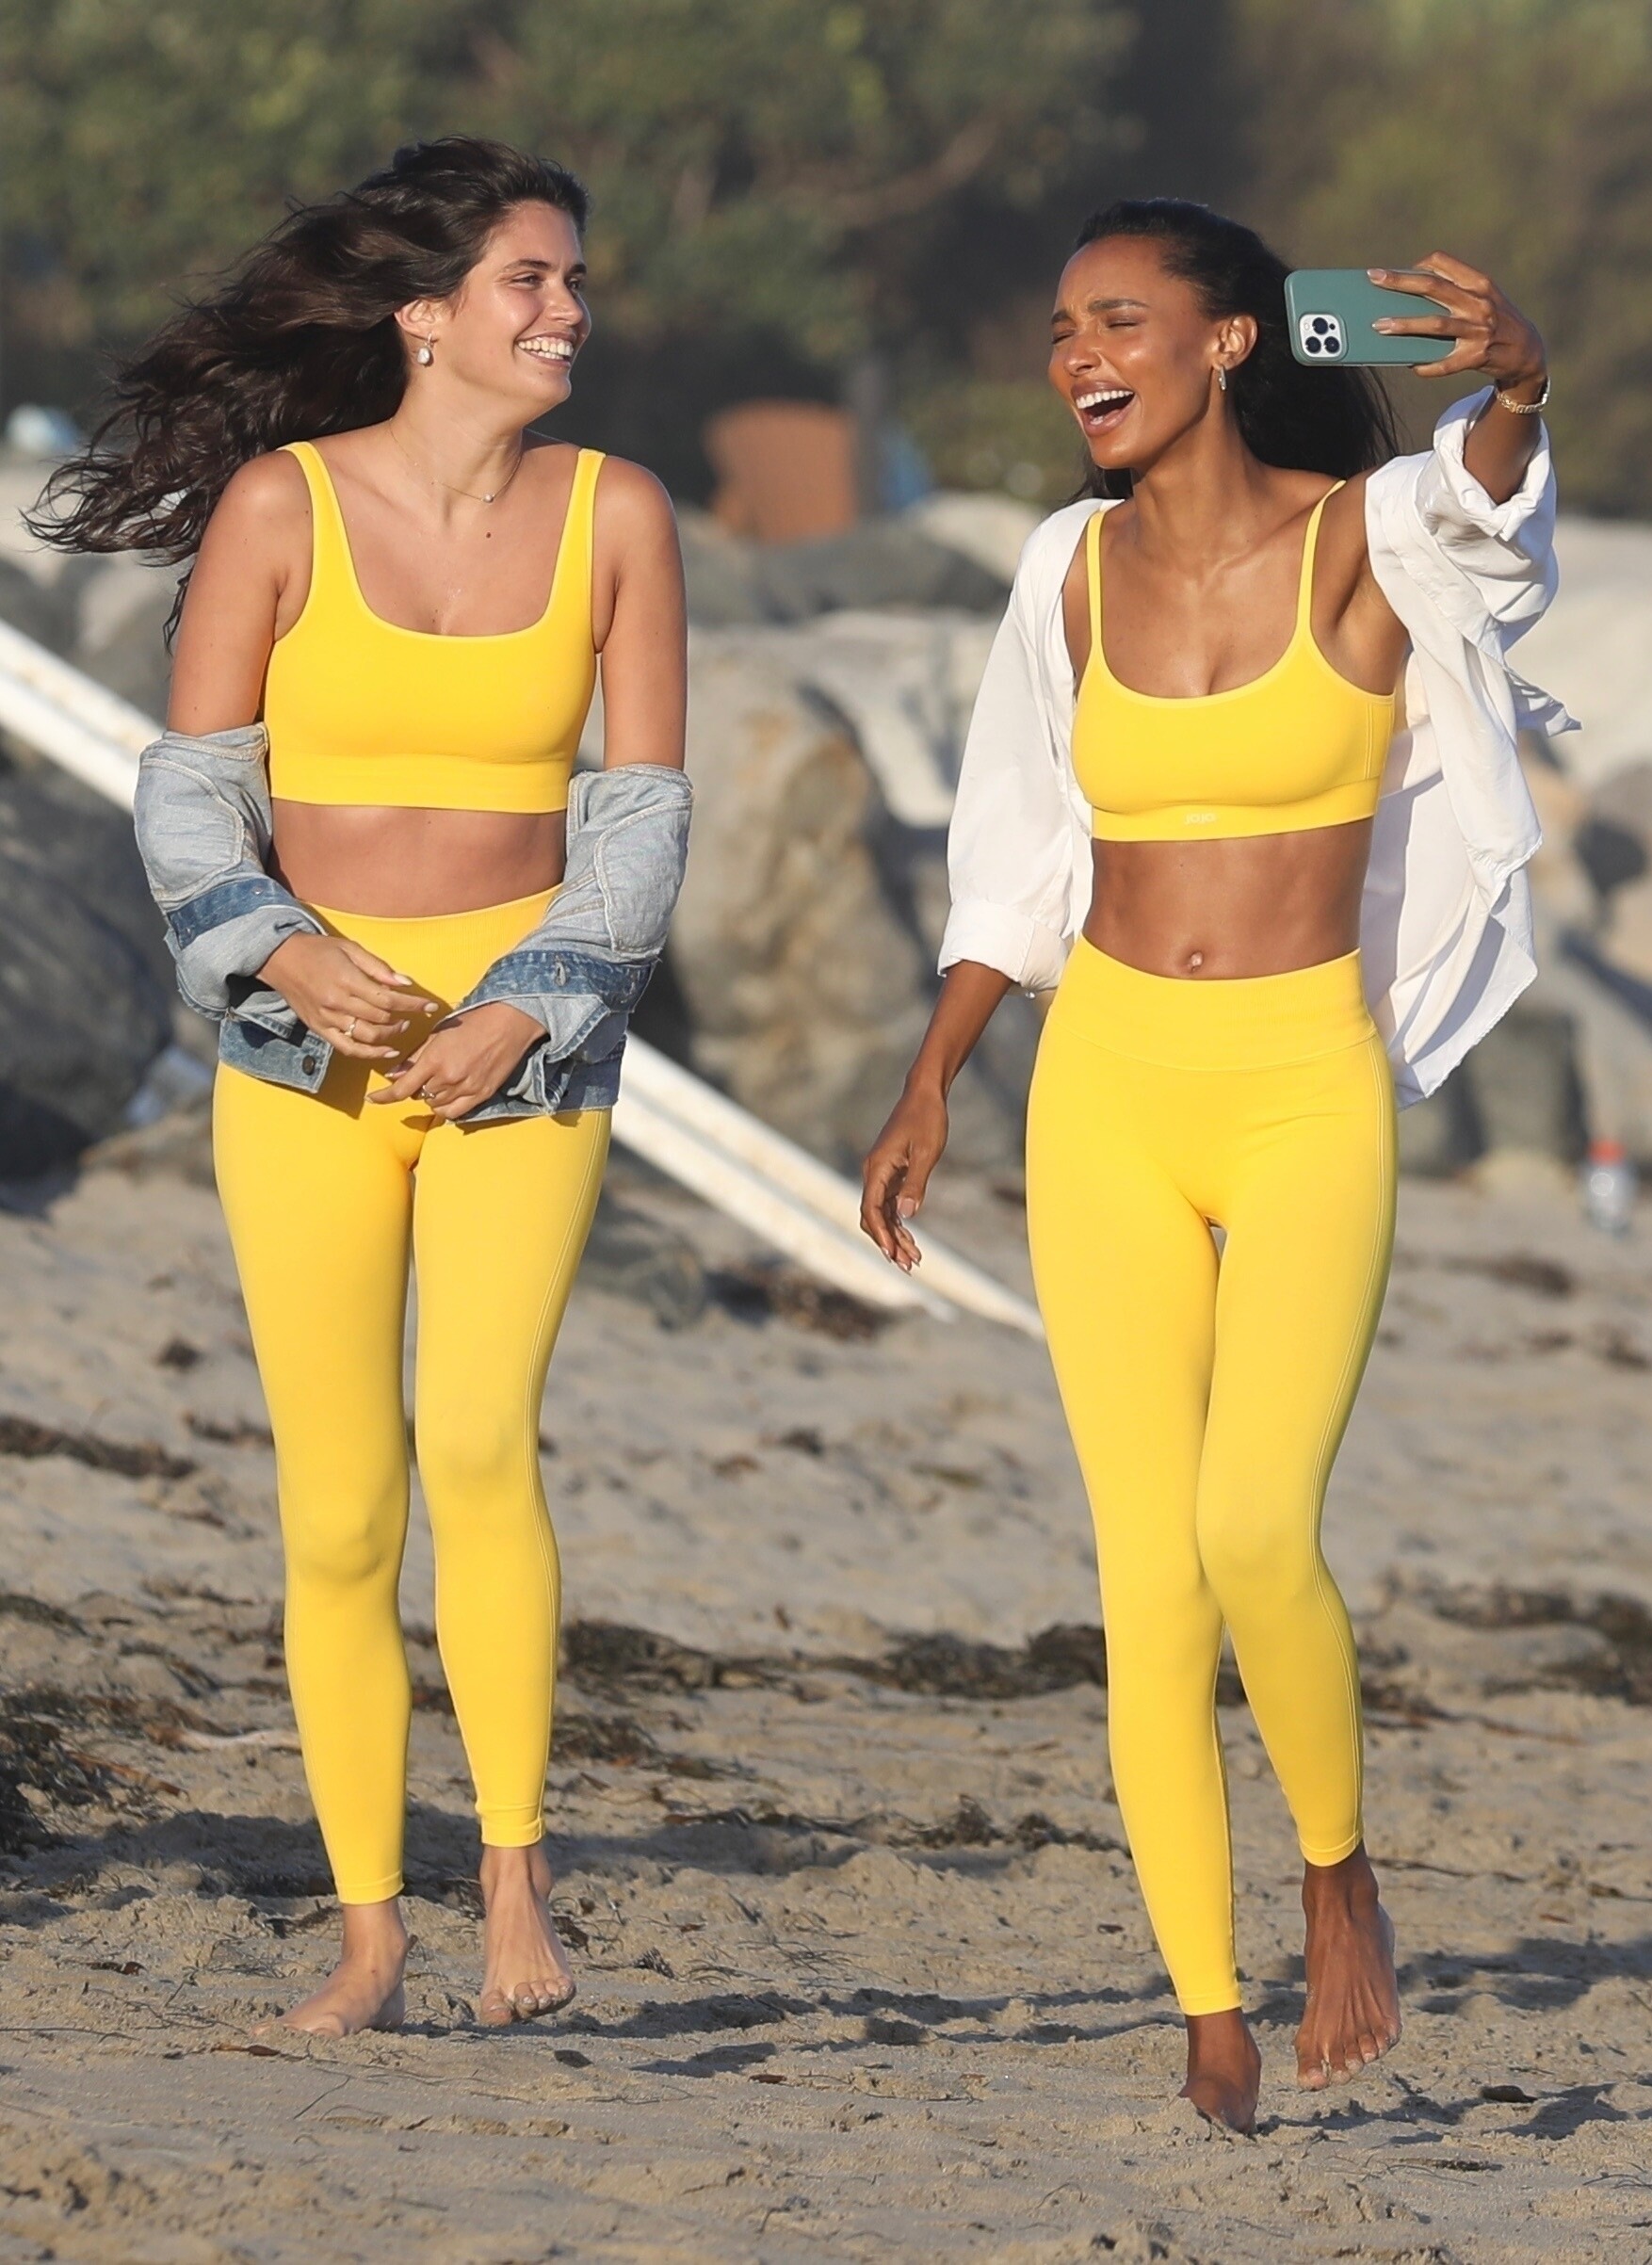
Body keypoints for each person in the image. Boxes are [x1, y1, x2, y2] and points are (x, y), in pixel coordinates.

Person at [860, 200, 1565, 2132]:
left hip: (1300, 1080)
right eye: (1062, 330)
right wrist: (930, 1080)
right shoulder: (1064, 568)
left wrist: (1517, 385)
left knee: (1256, 1526)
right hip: (1103, 1083)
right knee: (1149, 1582)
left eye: (1120, 320)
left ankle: (1336, 1873)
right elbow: (1014, 851)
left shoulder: (1366, 540)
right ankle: (1207, 2018)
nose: (1079, 357)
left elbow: (1492, 520)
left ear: (1232, 341)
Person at [33, 138, 690, 2036]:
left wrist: (537, 999)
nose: (567, 310)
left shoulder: (619, 512)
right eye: (530, 280)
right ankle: (368, 1930)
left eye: (573, 281)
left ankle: (513, 1884)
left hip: (521, 1044)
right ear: (424, 315)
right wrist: (276, 944)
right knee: (336, 1510)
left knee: (479, 1447)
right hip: (301, 1044)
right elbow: (189, 788)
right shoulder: (282, 504)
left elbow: (641, 814)